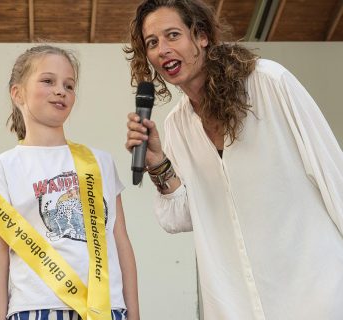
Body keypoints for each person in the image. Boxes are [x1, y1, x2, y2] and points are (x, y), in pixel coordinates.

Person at [124, 0, 343, 319]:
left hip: (317, 295)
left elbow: (332, 173)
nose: (162, 50)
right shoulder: (177, 125)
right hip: (235, 304)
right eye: (152, 43)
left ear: (201, 36)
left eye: (173, 35)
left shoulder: (269, 83)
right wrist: (158, 163)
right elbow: (182, 216)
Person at [0, 45, 139, 320]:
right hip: (37, 307)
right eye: (47, 81)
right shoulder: (2, 169)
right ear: (17, 93)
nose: (60, 90)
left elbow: (120, 241)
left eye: (69, 85)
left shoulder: (100, 162)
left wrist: (134, 314)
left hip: (106, 309)